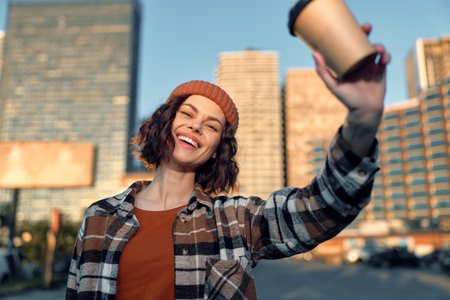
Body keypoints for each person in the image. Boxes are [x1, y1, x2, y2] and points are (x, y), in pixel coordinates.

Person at [66, 23, 390, 300]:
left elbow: (322, 209)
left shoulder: (236, 220)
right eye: (188, 114)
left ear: (217, 150)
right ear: (166, 122)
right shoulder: (99, 217)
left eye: (211, 126)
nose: (196, 126)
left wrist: (363, 119)